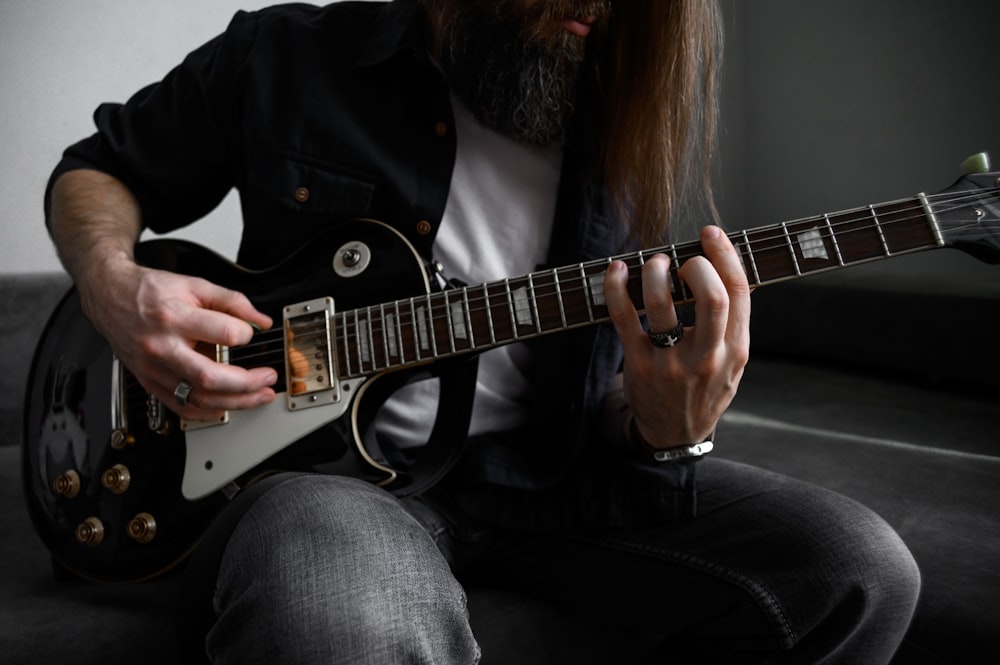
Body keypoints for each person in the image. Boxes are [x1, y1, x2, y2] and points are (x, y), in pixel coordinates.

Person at [44, 0, 921, 662]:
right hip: (335, 485)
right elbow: (98, 170)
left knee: (859, 567)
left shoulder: (628, 120)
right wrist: (114, 284)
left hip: (561, 483)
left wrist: (666, 427)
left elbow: (618, 397)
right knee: (340, 618)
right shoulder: (286, 56)